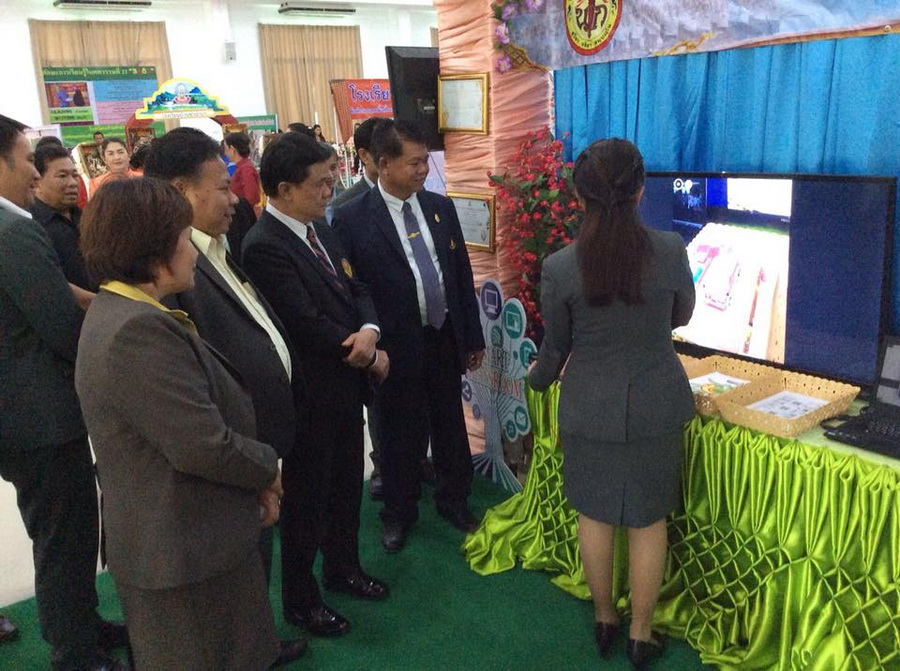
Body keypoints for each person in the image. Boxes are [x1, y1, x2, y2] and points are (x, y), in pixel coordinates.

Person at [74, 177, 287, 670]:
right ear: (154, 253)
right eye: (185, 238)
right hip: (184, 551)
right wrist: (268, 467)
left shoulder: (130, 312)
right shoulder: (136, 330)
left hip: (190, 540)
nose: (192, 251)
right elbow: (202, 445)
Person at [527, 138, 696, 668]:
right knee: (649, 521)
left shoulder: (560, 266)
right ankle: (641, 634)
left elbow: (556, 348)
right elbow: (682, 316)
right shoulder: (670, 249)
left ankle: (605, 618)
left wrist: (536, 381)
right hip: (656, 404)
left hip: (589, 407)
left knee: (594, 516)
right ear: (641, 191)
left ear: (579, 198)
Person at [143, 127, 306, 662]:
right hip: (230, 452)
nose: (235, 198)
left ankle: (258, 642)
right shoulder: (173, 272)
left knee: (256, 557)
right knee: (236, 566)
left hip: (257, 441)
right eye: (221, 188)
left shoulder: (217, 246)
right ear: (179, 191)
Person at [242, 131, 390, 638]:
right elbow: (302, 322)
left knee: (346, 485)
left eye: (332, 181)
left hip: (346, 386)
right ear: (285, 189)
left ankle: (343, 568)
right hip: (308, 396)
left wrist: (370, 330)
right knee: (306, 500)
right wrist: (363, 349)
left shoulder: (320, 228)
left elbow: (356, 285)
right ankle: (301, 600)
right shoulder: (264, 245)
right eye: (320, 184)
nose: (330, 192)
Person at [0, 114, 127, 671]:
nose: (35, 172)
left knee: (61, 530)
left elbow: (51, 294)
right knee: (65, 534)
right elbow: (60, 326)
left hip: (21, 414)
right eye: (27, 160)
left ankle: (81, 622)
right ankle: (74, 650)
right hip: (41, 415)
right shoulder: (14, 230)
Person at [334, 119, 486, 553]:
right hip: (393, 346)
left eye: (425, 161)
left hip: (442, 336)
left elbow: (459, 275)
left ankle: (454, 499)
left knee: (450, 425)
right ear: (384, 164)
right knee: (399, 434)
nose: (423, 170)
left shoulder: (439, 207)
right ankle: (398, 513)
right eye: (414, 163)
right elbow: (351, 287)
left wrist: (471, 336)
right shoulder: (352, 217)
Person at [31, 143, 97, 294]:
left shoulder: (87, 218)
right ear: (37, 181)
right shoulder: (32, 226)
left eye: (74, 175)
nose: (73, 183)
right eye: (62, 176)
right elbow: (48, 283)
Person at [224, 131, 261, 208]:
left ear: (232, 149)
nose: (225, 152)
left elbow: (251, 198)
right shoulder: (241, 167)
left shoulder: (246, 169)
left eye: (226, 148)